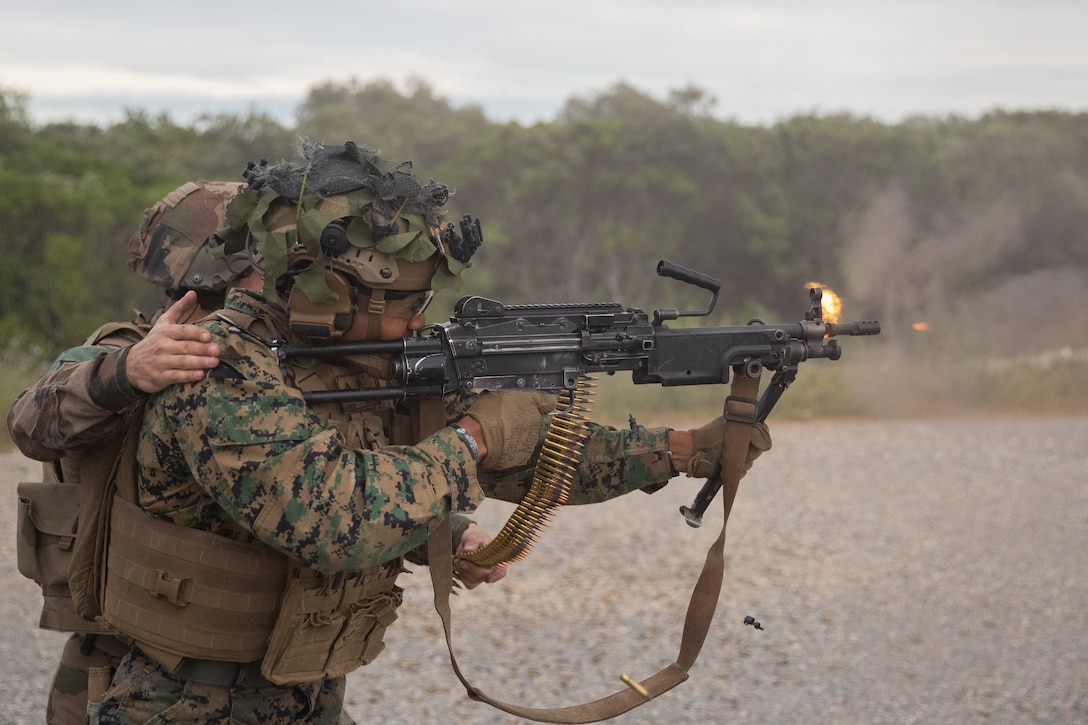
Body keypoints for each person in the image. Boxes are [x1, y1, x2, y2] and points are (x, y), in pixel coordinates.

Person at [92, 141, 771, 724]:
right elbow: (337, 518)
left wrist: (683, 450)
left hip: (301, 695)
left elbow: (534, 457)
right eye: (409, 304)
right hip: (186, 704)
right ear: (331, 289)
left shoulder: (358, 361)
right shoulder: (215, 367)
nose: (421, 321)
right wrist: (473, 436)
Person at [8, 179, 260, 724]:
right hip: (122, 652)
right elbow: (29, 425)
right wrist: (125, 374)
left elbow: (323, 474)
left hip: (253, 651)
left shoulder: (269, 372)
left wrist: (448, 530)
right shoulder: (119, 354)